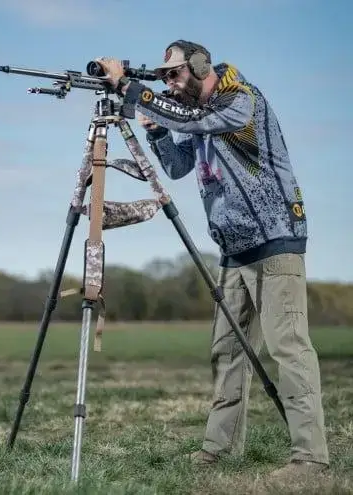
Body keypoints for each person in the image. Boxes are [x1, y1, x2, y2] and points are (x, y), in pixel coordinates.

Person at [94, 40, 329, 482]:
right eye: (164, 77)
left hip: (275, 242)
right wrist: (158, 130)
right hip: (233, 250)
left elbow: (201, 120)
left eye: (176, 74)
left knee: (289, 349)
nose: (171, 83)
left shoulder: (241, 100)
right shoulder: (194, 114)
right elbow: (181, 166)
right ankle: (219, 450)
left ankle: (311, 460)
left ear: (201, 66)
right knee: (228, 353)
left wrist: (131, 88)